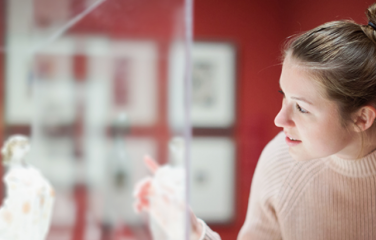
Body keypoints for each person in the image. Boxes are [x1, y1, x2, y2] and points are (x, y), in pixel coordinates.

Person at [134, 3, 376, 239]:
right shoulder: (279, 159)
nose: (279, 120)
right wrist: (194, 233)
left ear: (362, 118)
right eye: (284, 96)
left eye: (301, 108)